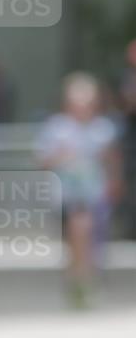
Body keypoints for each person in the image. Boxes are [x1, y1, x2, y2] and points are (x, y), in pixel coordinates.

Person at [36, 72, 123, 307]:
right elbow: (43, 161)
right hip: (66, 193)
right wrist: (62, 157)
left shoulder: (103, 128)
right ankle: (79, 279)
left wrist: (114, 181)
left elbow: (113, 159)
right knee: (76, 236)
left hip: (94, 193)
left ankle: (84, 279)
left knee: (89, 233)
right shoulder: (57, 127)